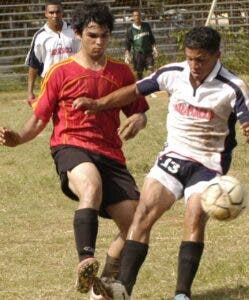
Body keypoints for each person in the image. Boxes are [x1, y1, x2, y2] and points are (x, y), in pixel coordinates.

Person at [71, 26, 249, 300]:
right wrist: (98, 104)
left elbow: (246, 117)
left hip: (208, 164)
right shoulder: (173, 73)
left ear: (217, 56)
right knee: (142, 215)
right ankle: (122, 290)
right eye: (190, 58)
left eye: (200, 60)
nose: (194, 65)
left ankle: (181, 293)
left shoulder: (232, 87)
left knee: (193, 217)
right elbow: (133, 91)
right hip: (174, 157)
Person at [0, 2, 149, 300]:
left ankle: (105, 279)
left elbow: (139, 111)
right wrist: (18, 138)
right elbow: (39, 119)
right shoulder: (59, 72)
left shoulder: (122, 72)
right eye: (93, 35)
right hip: (71, 146)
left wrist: (138, 120)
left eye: (104, 36)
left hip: (111, 155)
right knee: (90, 186)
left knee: (137, 224)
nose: (99, 42)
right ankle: (86, 262)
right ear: (79, 33)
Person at [25, 0, 80, 105]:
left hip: (73, 82)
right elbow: (33, 65)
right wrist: (30, 92)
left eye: (58, 12)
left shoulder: (74, 31)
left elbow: (83, 55)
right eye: (51, 12)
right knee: (50, 115)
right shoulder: (40, 36)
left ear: (62, 12)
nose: (55, 15)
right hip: (50, 83)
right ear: (46, 13)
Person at [124, 8, 158, 80]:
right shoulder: (130, 30)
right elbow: (127, 44)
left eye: (138, 15)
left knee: (151, 71)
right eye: (135, 15)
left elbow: (151, 38)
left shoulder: (146, 25)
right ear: (132, 17)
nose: (137, 17)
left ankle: (150, 88)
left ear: (140, 16)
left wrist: (155, 48)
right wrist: (127, 55)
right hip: (138, 54)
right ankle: (141, 88)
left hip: (148, 52)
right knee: (139, 74)